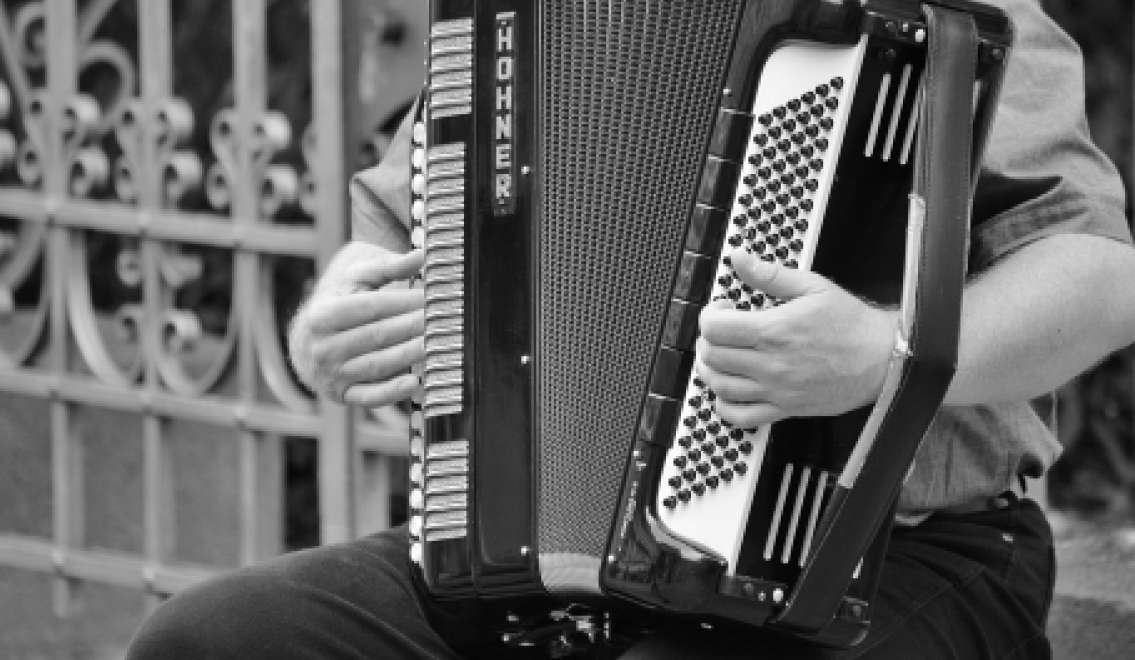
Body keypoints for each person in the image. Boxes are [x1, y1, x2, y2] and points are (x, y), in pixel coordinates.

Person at [126, 1, 1135, 658]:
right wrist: (332, 328)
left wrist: (882, 355)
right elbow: (390, 235)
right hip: (527, 556)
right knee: (212, 639)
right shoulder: (528, 20)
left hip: (895, 554)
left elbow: (1097, 278)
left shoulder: (953, 9)